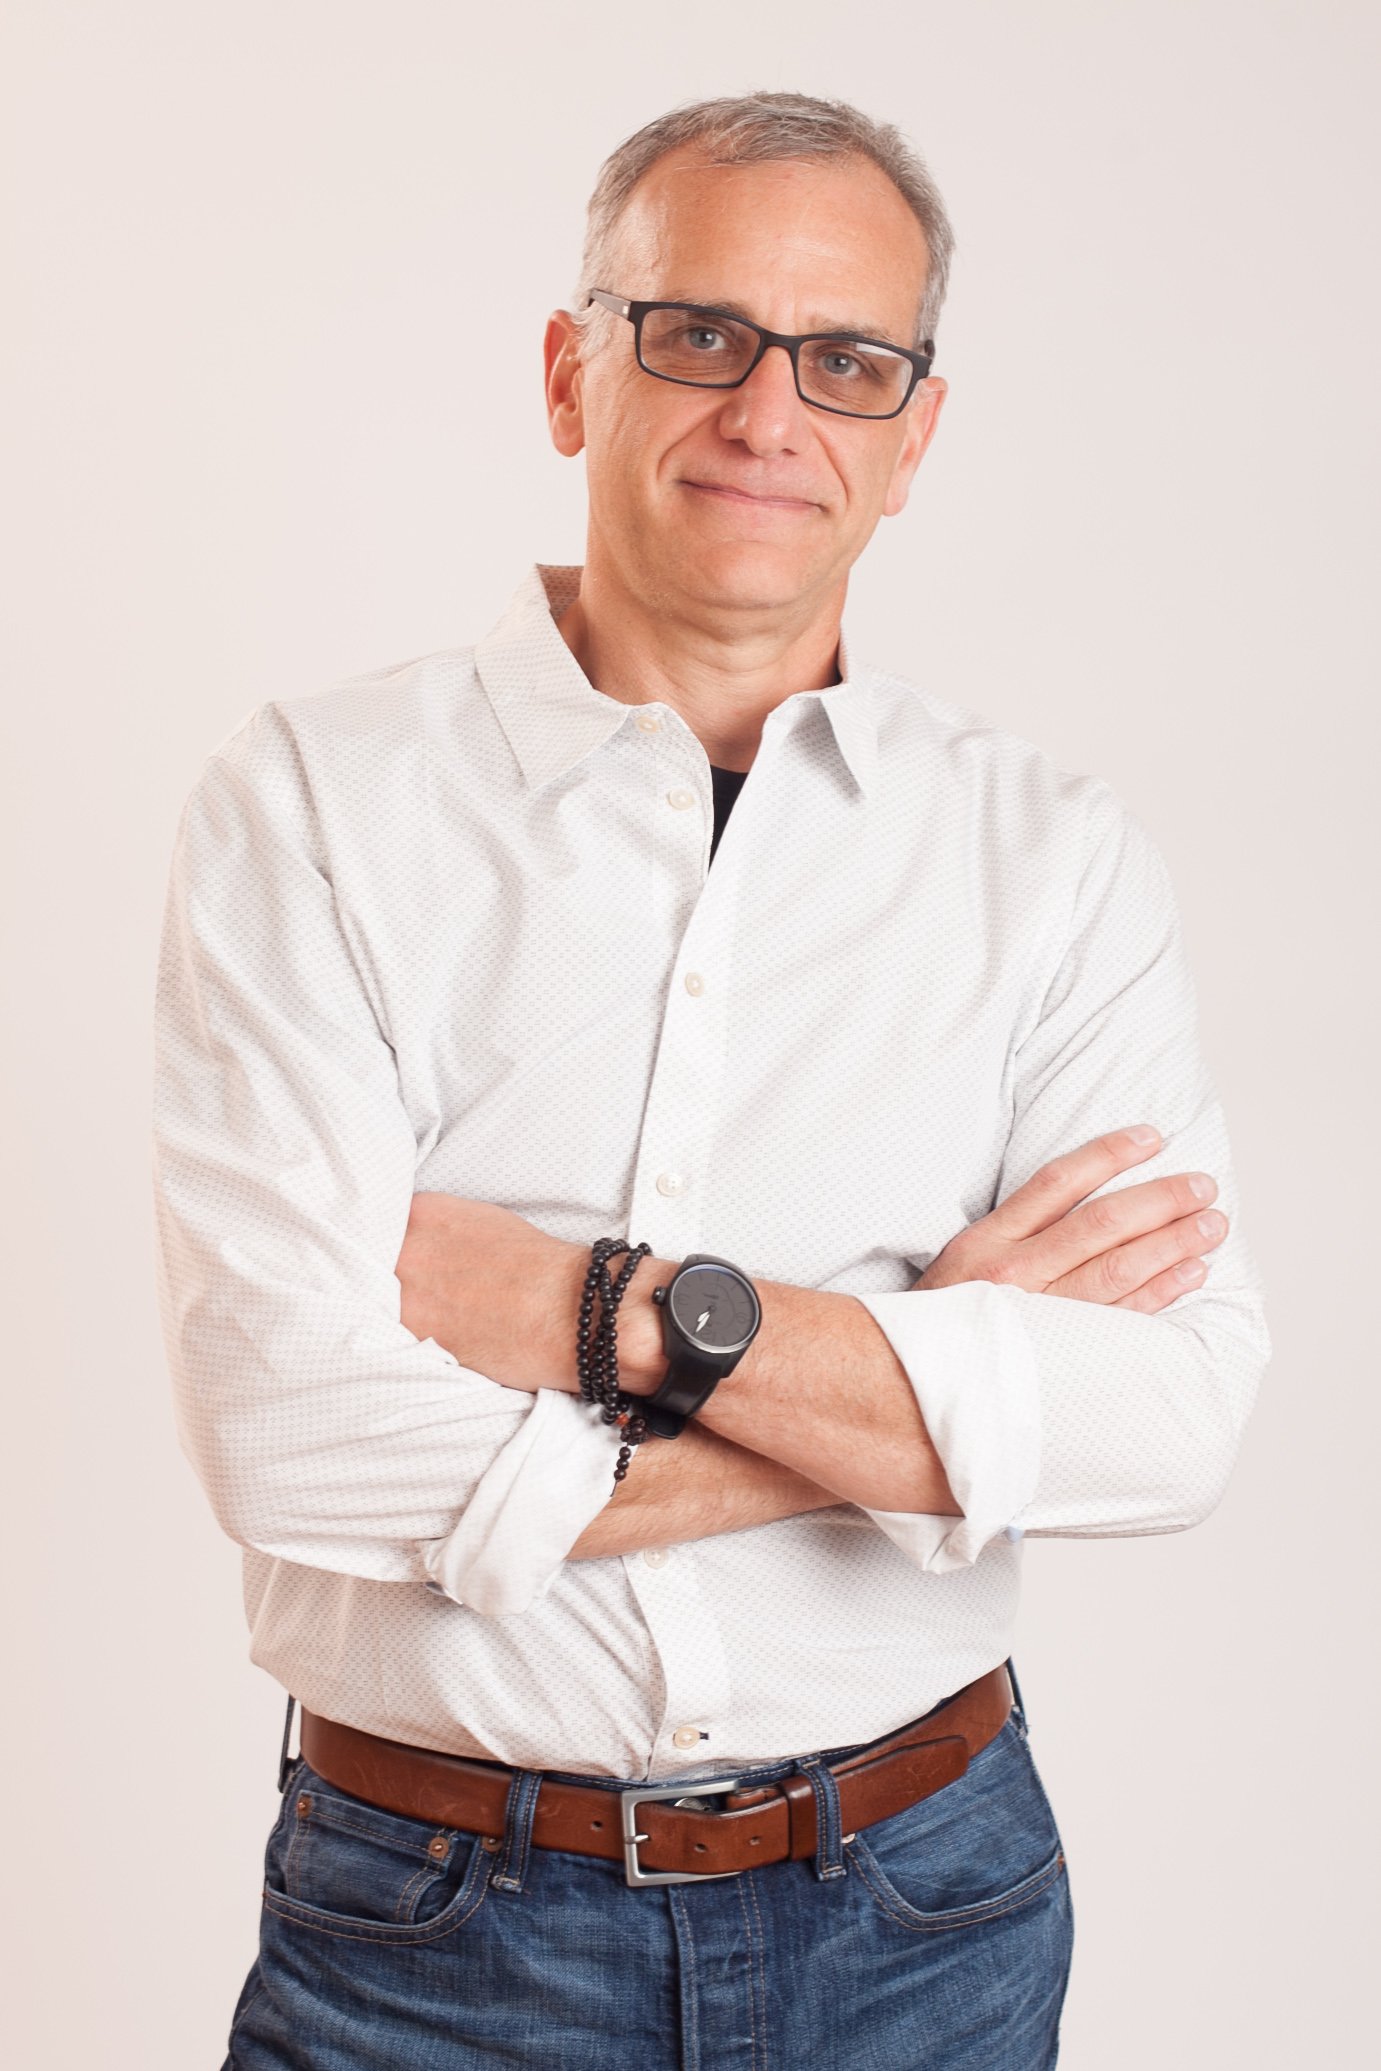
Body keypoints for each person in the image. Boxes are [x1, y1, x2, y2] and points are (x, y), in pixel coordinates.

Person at [153, 90, 1270, 2071]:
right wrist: (923, 1373)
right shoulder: (315, 802)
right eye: (700, 334)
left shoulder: (1051, 856)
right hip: (431, 1934)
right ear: (574, 372)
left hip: (924, 1906)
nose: (771, 414)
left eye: (846, 361)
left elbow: (1169, 1416)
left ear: (914, 436)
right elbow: (291, 1431)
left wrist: (605, 1313)